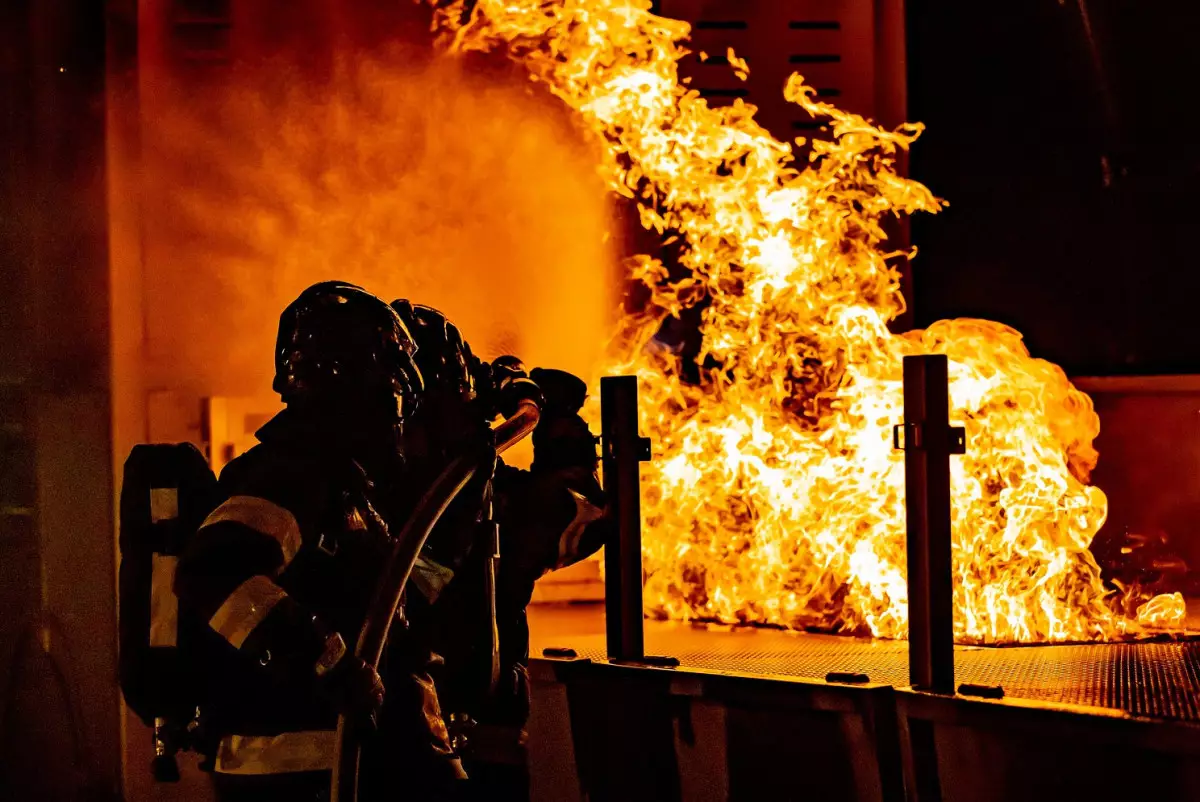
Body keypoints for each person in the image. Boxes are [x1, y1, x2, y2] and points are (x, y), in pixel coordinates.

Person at [173, 281, 470, 802]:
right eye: (392, 387)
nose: (398, 410)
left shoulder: (340, 485)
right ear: (358, 381)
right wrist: (329, 661)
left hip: (336, 766)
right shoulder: (291, 475)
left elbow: (399, 597)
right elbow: (213, 571)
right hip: (301, 771)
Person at [390, 301, 612, 802]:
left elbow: (572, 518)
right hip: (457, 718)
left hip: (440, 720)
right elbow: (578, 519)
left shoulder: (445, 479)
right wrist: (561, 432)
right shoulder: (457, 488)